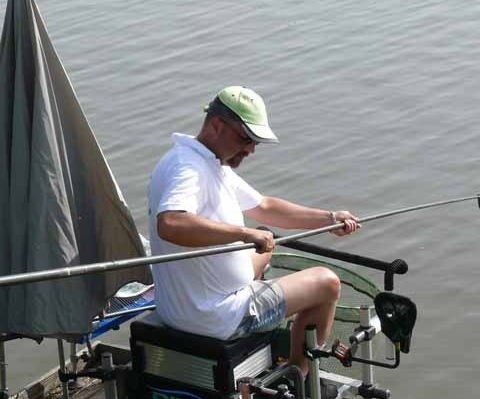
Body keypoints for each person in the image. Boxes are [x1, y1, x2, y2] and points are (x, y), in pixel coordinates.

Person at [147, 86, 360, 378]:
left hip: (181, 308)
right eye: (245, 138)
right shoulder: (189, 169)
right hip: (216, 316)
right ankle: (300, 375)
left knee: (264, 236)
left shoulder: (202, 161)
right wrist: (243, 234)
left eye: (255, 141)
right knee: (327, 283)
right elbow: (171, 223)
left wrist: (328, 218)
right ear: (216, 125)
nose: (250, 149)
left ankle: (268, 328)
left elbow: (264, 206)